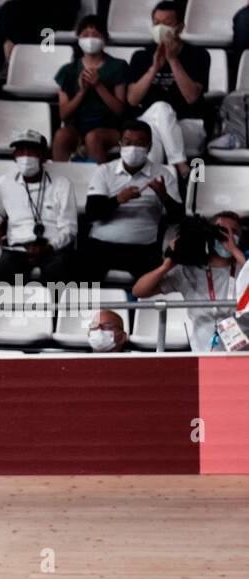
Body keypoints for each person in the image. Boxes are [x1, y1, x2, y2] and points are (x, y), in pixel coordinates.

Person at [81, 120, 182, 282]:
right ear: (120, 144)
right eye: (128, 143)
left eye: (140, 143)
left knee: (157, 286)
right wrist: (118, 200)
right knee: (81, 279)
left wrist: (164, 197)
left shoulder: (163, 174)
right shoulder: (104, 171)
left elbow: (178, 217)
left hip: (142, 250)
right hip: (101, 246)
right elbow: (92, 212)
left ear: (149, 147)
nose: (133, 148)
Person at [132, 211, 246, 352]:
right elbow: (139, 291)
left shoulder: (244, 268)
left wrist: (235, 251)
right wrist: (167, 265)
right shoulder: (188, 270)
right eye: (221, 231)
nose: (227, 236)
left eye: (234, 232)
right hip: (202, 351)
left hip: (243, 352)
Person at [125, 1, 209, 177]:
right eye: (156, 23)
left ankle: (150, 193)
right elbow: (132, 99)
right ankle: (180, 165)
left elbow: (192, 96)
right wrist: (153, 68)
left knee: (154, 134)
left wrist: (172, 60)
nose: (160, 28)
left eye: (167, 24)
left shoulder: (199, 55)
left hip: (188, 125)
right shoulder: (141, 56)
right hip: (150, 121)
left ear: (180, 27)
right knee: (159, 113)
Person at [0, 130, 76, 285]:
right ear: (14, 156)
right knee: (5, 272)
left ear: (43, 156)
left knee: (57, 273)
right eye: (21, 151)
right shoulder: (4, 182)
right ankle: (12, 310)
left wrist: (49, 247)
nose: (25, 156)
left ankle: (51, 310)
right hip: (17, 248)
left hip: (52, 248)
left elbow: (69, 229)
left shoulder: (62, 184)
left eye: (32, 151)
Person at [52, 15, 129, 163]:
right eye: (85, 35)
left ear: (104, 38)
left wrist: (98, 85)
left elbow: (120, 110)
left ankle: (99, 183)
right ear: (79, 39)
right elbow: (63, 114)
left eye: (95, 35)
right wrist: (82, 91)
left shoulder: (118, 66)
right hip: (77, 128)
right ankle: (59, 180)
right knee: (61, 135)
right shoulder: (68, 70)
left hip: (110, 129)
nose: (90, 39)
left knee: (93, 137)